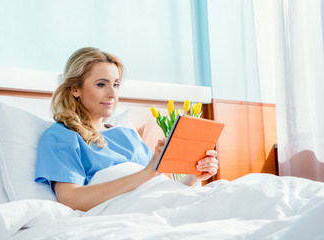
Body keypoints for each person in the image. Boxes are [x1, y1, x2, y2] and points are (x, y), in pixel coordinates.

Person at [35, 47, 219, 212]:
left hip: (156, 206)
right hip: (126, 212)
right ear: (75, 89)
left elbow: (162, 192)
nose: (112, 94)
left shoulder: (127, 134)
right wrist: (146, 173)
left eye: (115, 84)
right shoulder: (62, 136)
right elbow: (71, 199)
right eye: (101, 84)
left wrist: (194, 176)